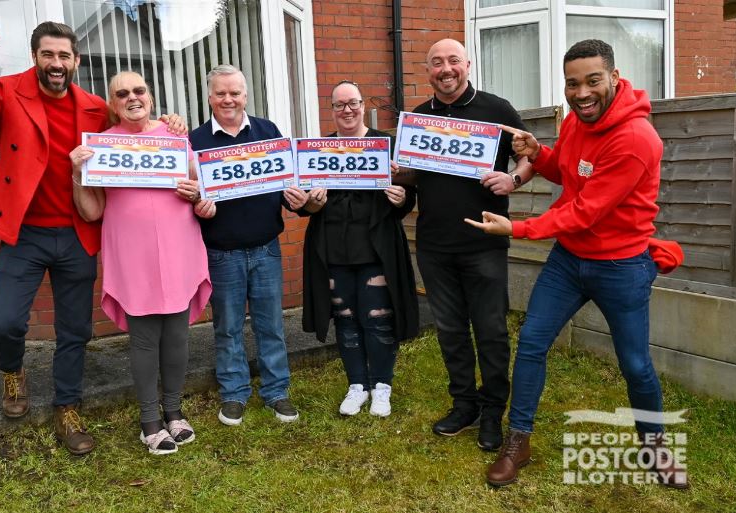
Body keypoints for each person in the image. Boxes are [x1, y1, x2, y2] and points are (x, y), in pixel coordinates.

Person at [0, 21, 184, 455]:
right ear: (35, 56)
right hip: (24, 232)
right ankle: (12, 370)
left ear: (76, 61)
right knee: (5, 322)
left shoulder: (93, 107)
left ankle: (67, 407)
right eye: (48, 55)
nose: (56, 63)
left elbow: (135, 127)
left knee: (75, 330)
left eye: (64, 56)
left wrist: (170, 123)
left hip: (76, 231)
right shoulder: (7, 91)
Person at [466, 39, 687, 489]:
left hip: (621, 267)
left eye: (592, 81)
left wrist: (519, 230)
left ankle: (655, 449)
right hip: (570, 261)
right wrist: (539, 152)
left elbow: (586, 210)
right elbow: (570, 172)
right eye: (572, 83)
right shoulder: (575, 121)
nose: (581, 92)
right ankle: (519, 440)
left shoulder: (636, 138)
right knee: (531, 343)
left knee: (635, 365)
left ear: (615, 77)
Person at [69, 72, 213, 455]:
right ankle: (150, 421)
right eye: (122, 93)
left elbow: (204, 188)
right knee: (145, 339)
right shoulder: (101, 146)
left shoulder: (175, 136)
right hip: (131, 252)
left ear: (150, 96)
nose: (133, 97)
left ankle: (175, 412)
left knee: (178, 336)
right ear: (112, 104)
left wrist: (198, 191)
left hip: (178, 245)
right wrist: (77, 175)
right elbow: (91, 212)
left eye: (139, 90)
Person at [406, 38, 532, 450]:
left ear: (468, 64)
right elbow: (411, 174)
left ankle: (494, 410)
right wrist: (395, 172)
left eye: (453, 61)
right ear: (428, 71)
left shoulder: (496, 109)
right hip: (434, 244)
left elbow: (534, 155)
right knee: (450, 330)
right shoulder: (419, 119)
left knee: (492, 330)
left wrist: (513, 178)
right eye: (437, 62)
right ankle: (464, 403)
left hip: (485, 241)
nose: (446, 69)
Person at [189, 65, 310, 426]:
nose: (228, 99)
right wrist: (198, 208)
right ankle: (234, 394)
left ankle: (276, 392)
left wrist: (297, 198)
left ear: (245, 95)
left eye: (235, 93)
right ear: (209, 97)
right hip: (221, 252)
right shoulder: (194, 141)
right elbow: (187, 196)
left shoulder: (267, 131)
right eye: (221, 93)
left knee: (270, 324)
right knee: (226, 327)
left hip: (266, 248)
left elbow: (285, 183)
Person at [299, 80, 418, 417]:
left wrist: (401, 199)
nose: (347, 110)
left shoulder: (386, 144)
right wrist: (310, 203)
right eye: (339, 105)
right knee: (346, 317)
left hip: (376, 247)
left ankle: (382, 386)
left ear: (363, 105)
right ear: (332, 110)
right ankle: (357, 385)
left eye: (352, 102)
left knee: (378, 317)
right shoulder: (317, 150)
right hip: (332, 247)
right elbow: (303, 202)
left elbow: (409, 192)